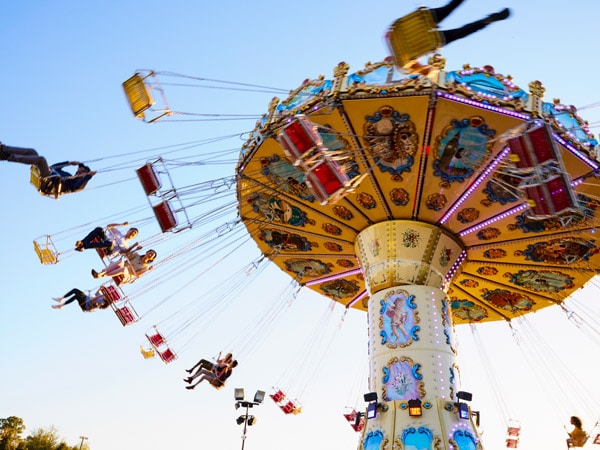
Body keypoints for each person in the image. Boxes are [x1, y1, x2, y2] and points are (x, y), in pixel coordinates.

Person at [0, 143, 96, 194]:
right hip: (48, 175)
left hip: (49, 183)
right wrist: (68, 163)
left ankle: (7, 156)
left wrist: (88, 177)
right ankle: (3, 149)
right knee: (32, 152)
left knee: (41, 159)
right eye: (80, 169)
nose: (80, 171)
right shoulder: (68, 175)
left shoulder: (78, 184)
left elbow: (77, 186)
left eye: (83, 171)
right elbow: (55, 167)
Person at [91, 249, 157, 282]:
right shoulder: (137, 255)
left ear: (151, 259)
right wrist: (136, 249)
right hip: (122, 267)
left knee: (124, 269)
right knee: (121, 261)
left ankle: (103, 275)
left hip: (128, 275)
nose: (150, 254)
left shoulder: (146, 267)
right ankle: (100, 274)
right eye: (150, 253)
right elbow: (127, 255)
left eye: (151, 255)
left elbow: (137, 274)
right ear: (146, 252)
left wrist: (148, 270)